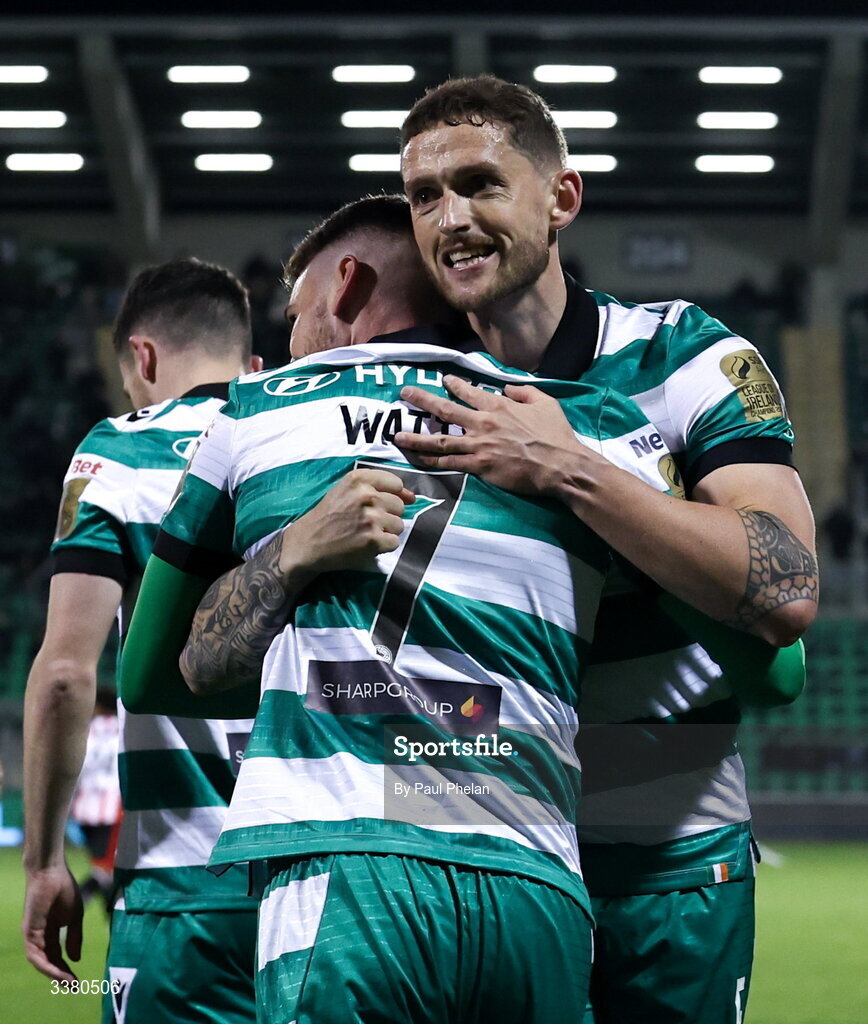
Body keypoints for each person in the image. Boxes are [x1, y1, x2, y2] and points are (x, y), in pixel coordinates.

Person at [120, 195, 689, 1024]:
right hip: (533, 871)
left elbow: (166, 672)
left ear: (347, 285)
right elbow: (765, 653)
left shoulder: (254, 414)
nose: (287, 338)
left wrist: (294, 557)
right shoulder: (582, 421)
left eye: (297, 311)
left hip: (342, 863)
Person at [395, 75, 818, 1024]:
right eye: (425, 198)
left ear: (562, 199)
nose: (450, 219)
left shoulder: (687, 359)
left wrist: (569, 469)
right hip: (472, 866)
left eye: (480, 185)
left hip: (667, 869)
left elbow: (786, 587)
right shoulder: (409, 394)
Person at [22, 257, 261, 1024]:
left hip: (185, 883)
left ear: (144, 357)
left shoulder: (122, 449)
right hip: (329, 871)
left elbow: (65, 673)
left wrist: (43, 861)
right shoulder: (308, 438)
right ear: (253, 363)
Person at [70, 688, 122, 914]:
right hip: (114, 809)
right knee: (106, 869)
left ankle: (82, 903)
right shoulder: (125, 729)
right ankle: (76, 903)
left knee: (103, 867)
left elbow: (75, 770)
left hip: (85, 810)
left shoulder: (85, 731)